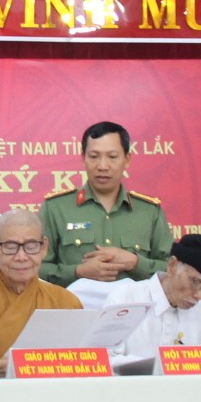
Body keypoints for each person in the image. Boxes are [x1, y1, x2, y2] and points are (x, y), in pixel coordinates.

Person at [40, 121, 173, 287]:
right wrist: (78, 272)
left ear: (127, 159)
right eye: (94, 157)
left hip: (135, 310)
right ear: (83, 158)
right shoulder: (56, 208)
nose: (102, 166)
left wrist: (135, 263)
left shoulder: (149, 211)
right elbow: (36, 268)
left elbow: (172, 270)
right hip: (76, 308)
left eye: (112, 157)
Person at [0, 209, 82, 358]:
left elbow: (77, 361)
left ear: (44, 248)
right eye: (10, 247)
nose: (21, 257)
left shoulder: (66, 302)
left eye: (31, 246)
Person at [105, 234, 201, 367]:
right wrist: (161, 367)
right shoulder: (126, 298)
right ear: (172, 266)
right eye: (196, 282)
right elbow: (107, 360)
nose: (199, 295)